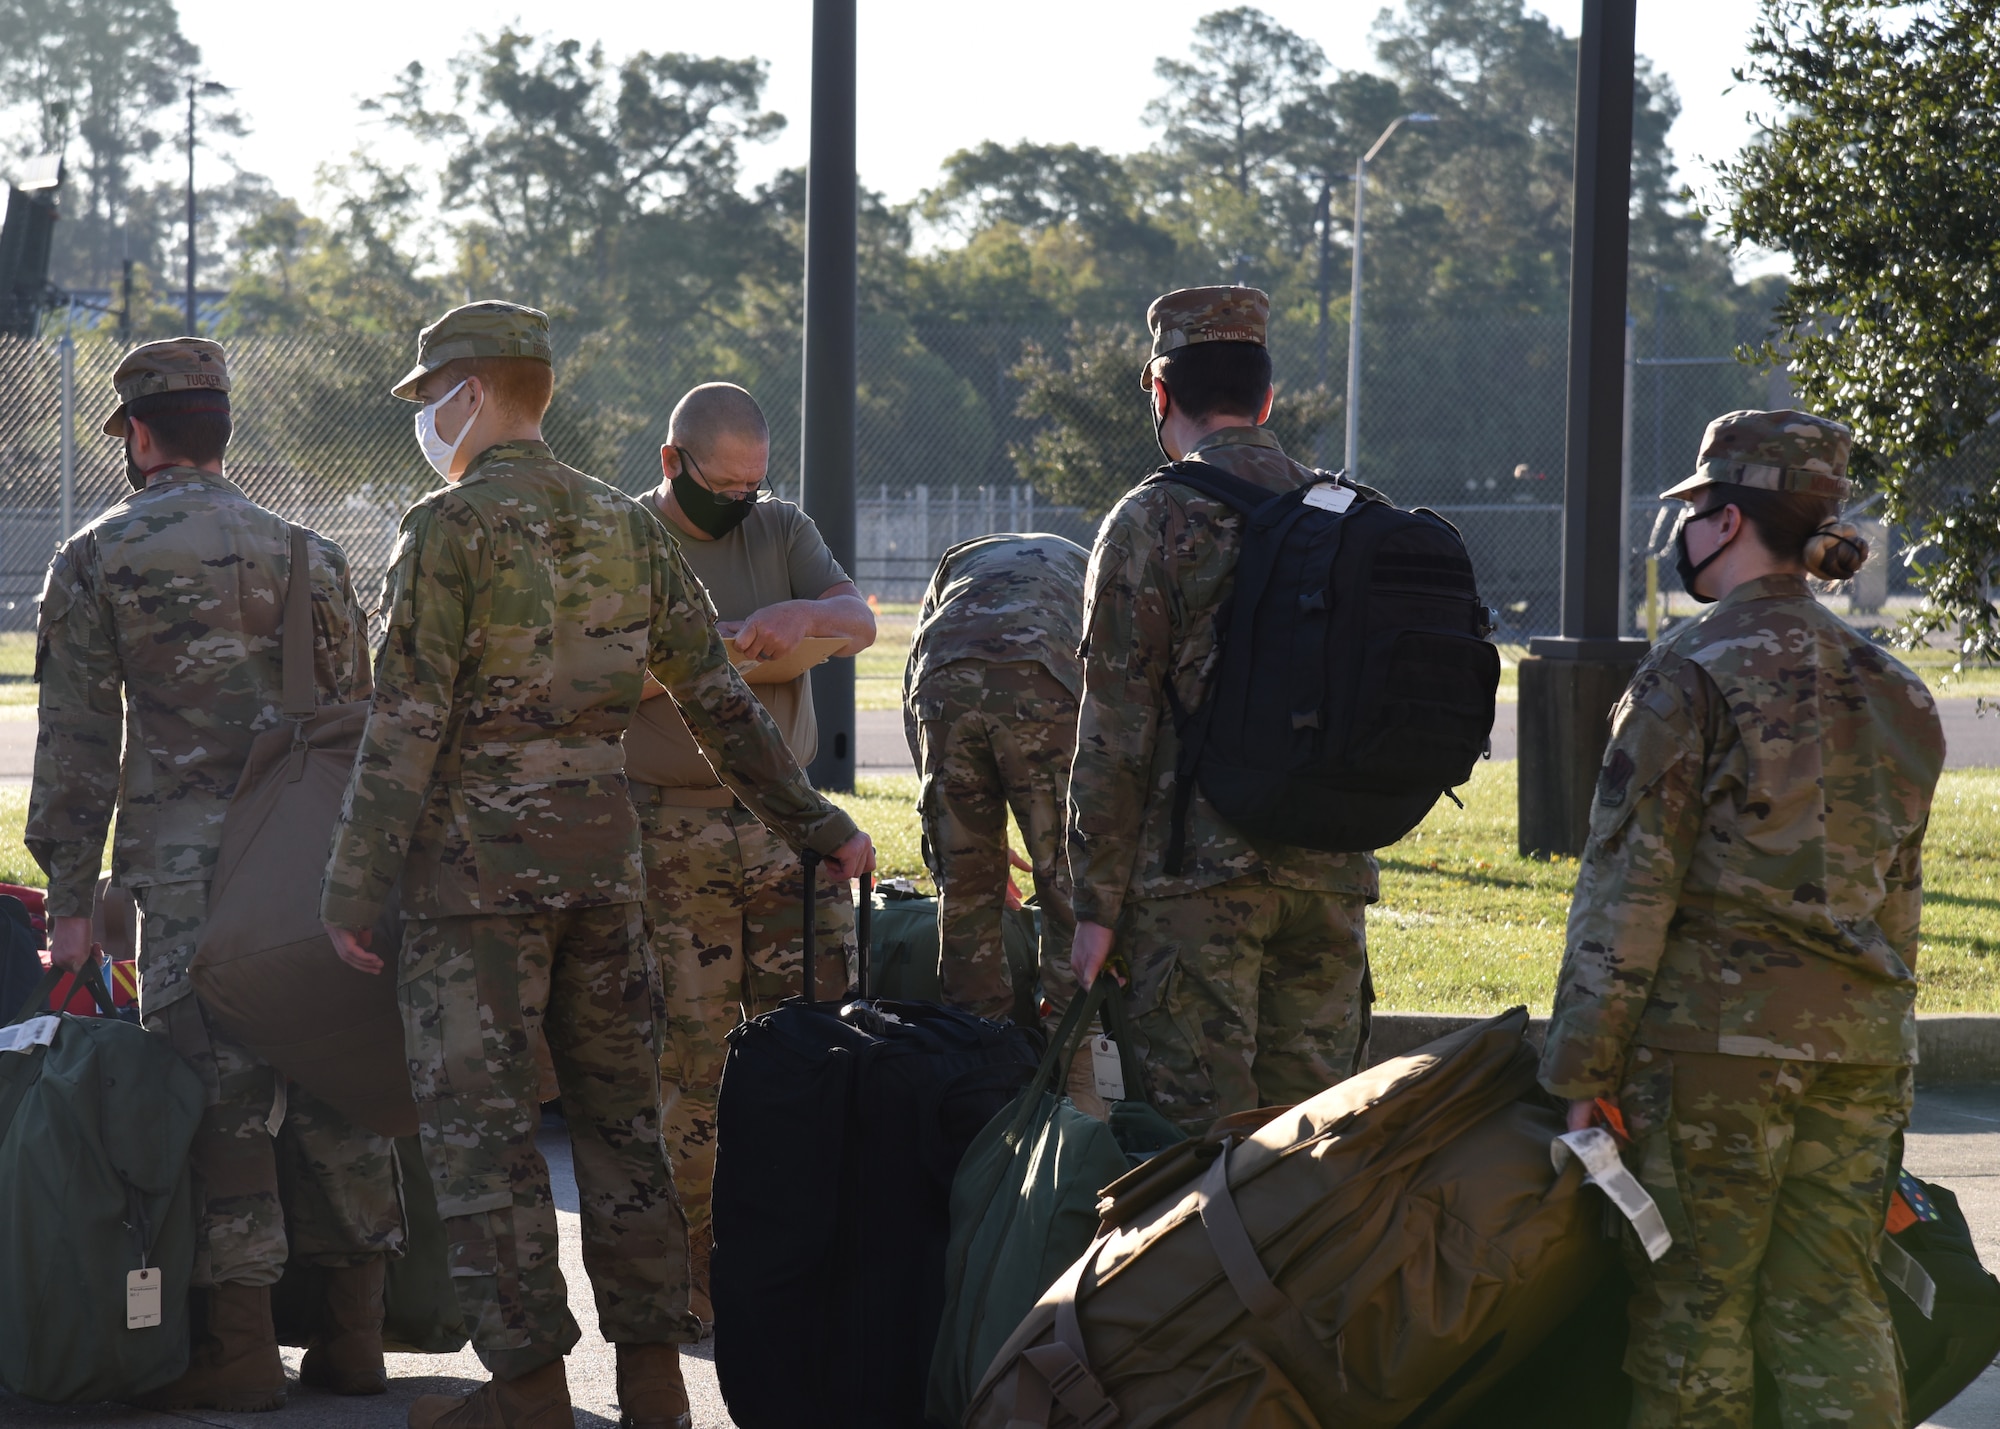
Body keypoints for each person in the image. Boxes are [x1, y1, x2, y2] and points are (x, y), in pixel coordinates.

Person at [318, 305, 873, 1429]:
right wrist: (812, 822)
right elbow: (721, 705)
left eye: (433, 395)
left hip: (473, 889)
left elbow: (405, 723)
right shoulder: (624, 530)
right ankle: (653, 1381)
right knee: (625, 1130)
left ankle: (527, 1391)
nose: (426, 416)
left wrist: (349, 881)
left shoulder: (446, 529)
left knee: (486, 1137)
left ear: (472, 392)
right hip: (607, 875)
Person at [1539, 409, 1945, 1429]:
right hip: (1861, 1045)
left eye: (1690, 515)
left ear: (1722, 520)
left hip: (1712, 1051)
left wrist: (1577, 1073)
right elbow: (1897, 903)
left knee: (1691, 1305)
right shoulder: (1894, 686)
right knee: (1835, 1300)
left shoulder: (1686, 675)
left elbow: (1624, 894)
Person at [27, 338, 404, 1412]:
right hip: (313, 865)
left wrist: (67, 900)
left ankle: (237, 1351)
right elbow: (354, 726)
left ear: (139, 435)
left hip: (186, 879)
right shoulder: (311, 554)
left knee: (220, 1097)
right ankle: (354, 1340)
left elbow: (78, 745)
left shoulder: (100, 555)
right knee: (333, 1078)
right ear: (220, 430)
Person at [1066, 286, 1377, 1133]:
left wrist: (1093, 907)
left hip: (1194, 892)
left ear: (1161, 394)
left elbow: (1114, 727)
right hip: (1329, 881)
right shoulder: (1347, 514)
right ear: (1267, 398)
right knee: (1314, 1149)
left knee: (1203, 1166)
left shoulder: (1151, 520)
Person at [624, 380, 875, 1326]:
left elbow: (858, 621)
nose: (739, 504)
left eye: (752, 486)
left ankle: (798, 1263)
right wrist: (703, 657)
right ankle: (693, 1276)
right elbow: (591, 679)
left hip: (785, 827)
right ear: (671, 463)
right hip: (671, 828)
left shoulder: (779, 528)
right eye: (723, 487)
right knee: (686, 1061)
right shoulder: (629, 540)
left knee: (807, 1045)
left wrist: (803, 620)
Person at [903, 532, 1088, 1020]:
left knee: (965, 890)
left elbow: (913, 688)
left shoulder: (957, 561)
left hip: (942, 684)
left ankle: (979, 1052)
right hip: (1044, 684)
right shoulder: (1089, 565)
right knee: (1065, 882)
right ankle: (1075, 1063)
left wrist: (956, 817)